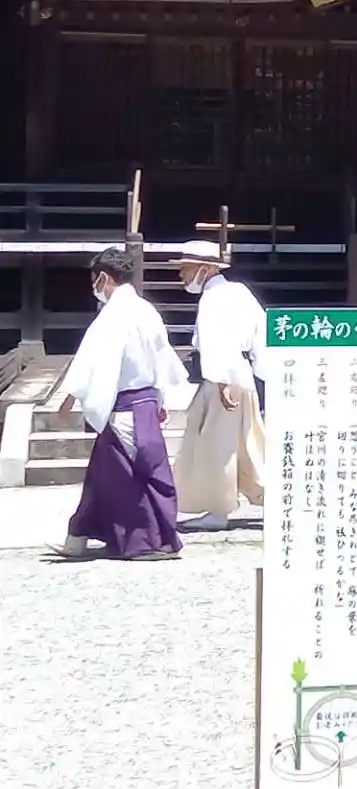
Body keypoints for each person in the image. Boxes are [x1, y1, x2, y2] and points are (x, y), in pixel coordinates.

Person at [52, 248, 190, 561]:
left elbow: (90, 360)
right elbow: (161, 357)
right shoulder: (146, 310)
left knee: (130, 479)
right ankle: (77, 537)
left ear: (103, 277)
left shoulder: (113, 315)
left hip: (125, 409)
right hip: (144, 402)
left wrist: (69, 396)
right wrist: (161, 397)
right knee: (103, 476)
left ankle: (147, 542)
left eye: (95, 280)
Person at [171, 239, 267, 531]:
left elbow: (216, 342)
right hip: (240, 376)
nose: (182, 275)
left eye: (187, 269)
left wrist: (223, 381)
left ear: (205, 269)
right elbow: (261, 332)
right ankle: (273, 498)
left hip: (222, 380)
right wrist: (261, 371)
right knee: (245, 444)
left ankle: (218, 510)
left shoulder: (213, 299)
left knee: (216, 447)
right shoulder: (240, 292)